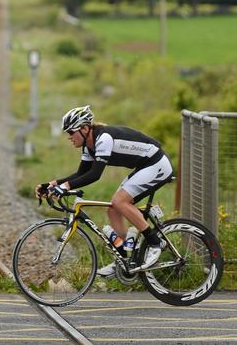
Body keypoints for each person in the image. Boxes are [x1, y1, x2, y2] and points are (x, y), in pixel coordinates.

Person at [36, 105, 172, 277]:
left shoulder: (104, 138)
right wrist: (52, 184)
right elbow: (81, 173)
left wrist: (65, 187)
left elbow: (94, 175)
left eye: (71, 132)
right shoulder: (88, 146)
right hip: (144, 166)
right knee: (113, 210)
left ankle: (155, 242)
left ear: (85, 129)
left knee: (119, 202)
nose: (69, 137)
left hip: (157, 163)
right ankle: (124, 261)